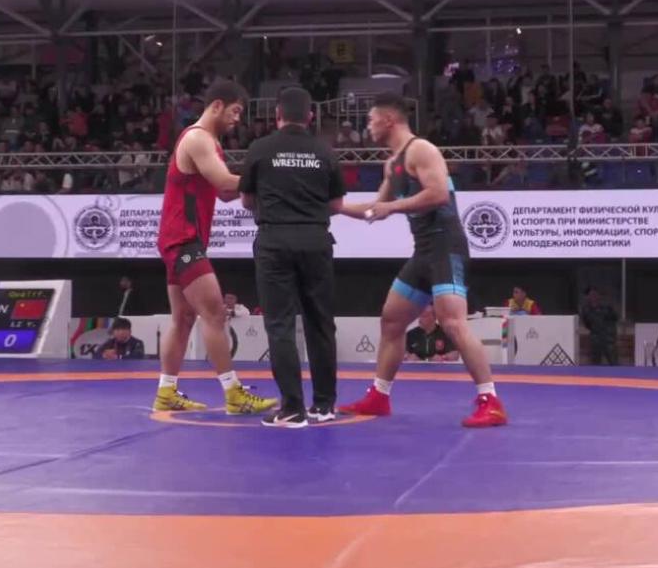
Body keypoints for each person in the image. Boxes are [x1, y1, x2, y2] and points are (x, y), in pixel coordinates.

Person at [335, 93, 507, 428]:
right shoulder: (391, 164)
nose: (367, 126)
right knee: (392, 320)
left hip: (446, 247)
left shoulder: (421, 150)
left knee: (453, 323)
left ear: (388, 120)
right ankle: (379, 395)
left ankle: (491, 401)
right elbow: (376, 209)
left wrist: (391, 207)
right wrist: (336, 208)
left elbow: (438, 193)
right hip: (423, 252)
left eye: (370, 119)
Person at [152, 80, 277, 416]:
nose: (237, 119)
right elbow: (224, 181)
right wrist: (272, 178)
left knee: (183, 318)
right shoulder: (198, 139)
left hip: (179, 238)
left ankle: (166, 392)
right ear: (217, 105)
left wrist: (256, 188)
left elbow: (224, 192)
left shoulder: (209, 143)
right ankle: (234, 394)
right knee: (215, 313)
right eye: (235, 111)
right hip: (183, 239)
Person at [240, 86, 345, 428]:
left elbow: (246, 200)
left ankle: (292, 408)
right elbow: (336, 204)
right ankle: (324, 405)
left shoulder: (260, 148)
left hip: (275, 240)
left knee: (280, 325)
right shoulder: (325, 151)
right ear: (310, 117)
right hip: (316, 240)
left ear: (277, 115)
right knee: (320, 323)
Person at [579, 287, 619, 366]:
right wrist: (595, 330)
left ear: (598, 296)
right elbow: (587, 323)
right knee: (595, 364)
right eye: (590, 295)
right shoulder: (586, 309)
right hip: (596, 339)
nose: (593, 297)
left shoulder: (607, 307)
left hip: (608, 338)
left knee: (614, 363)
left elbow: (615, 317)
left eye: (594, 295)